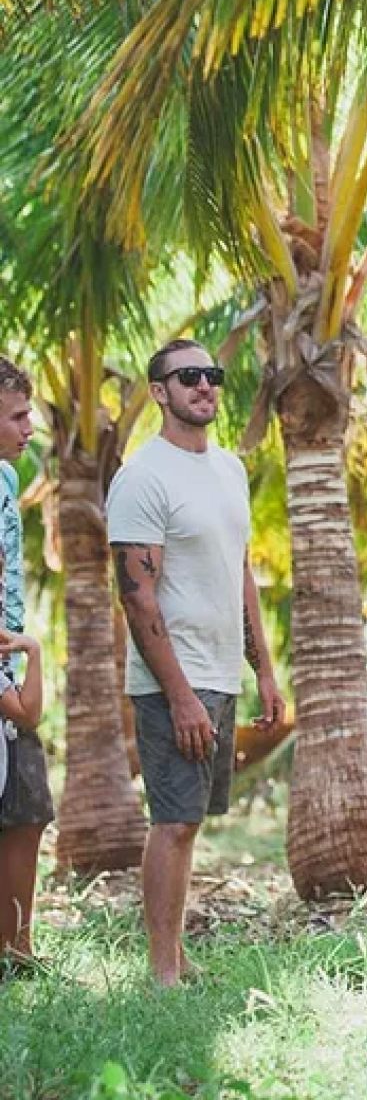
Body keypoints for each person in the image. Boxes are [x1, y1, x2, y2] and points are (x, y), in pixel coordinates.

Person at [106, 339, 287, 986]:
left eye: (211, 376)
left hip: (219, 672)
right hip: (171, 681)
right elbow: (136, 596)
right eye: (188, 377)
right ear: (159, 391)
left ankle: (177, 957)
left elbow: (240, 573)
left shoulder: (230, 469)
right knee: (175, 821)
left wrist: (263, 669)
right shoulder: (142, 477)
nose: (204, 386)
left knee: (191, 823)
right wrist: (179, 694)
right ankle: (162, 974)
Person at [0, 356, 54, 973]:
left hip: (12, 663)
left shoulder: (9, 483)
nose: (30, 427)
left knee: (28, 810)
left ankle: (18, 952)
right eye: (17, 416)